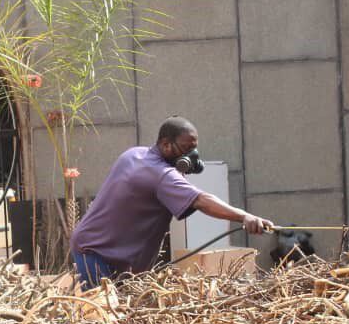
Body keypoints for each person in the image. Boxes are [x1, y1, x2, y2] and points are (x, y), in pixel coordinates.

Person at [69, 116, 274, 290]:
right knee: (106, 317)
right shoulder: (163, 176)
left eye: (194, 149)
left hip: (92, 246)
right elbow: (202, 200)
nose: (191, 156)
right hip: (99, 255)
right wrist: (244, 216)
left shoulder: (133, 154)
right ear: (166, 145)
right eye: (185, 148)